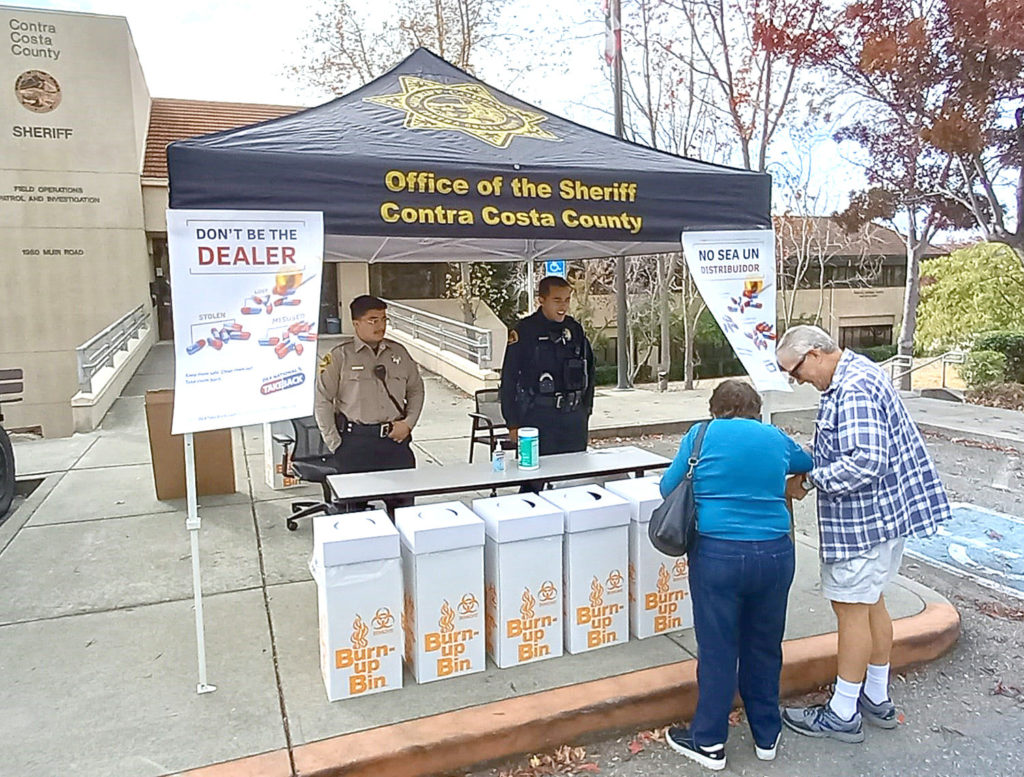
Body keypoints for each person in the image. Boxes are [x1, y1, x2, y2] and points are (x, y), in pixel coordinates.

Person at [776, 325, 950, 743]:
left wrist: (813, 479)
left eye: (795, 371)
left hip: (864, 522)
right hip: (885, 518)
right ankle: (875, 695)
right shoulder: (859, 373)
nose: (795, 380)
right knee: (872, 606)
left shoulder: (851, 390)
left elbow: (867, 461)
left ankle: (842, 713)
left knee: (852, 611)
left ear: (815, 354)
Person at [661, 379, 812, 771]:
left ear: (715, 409)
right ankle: (766, 733)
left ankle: (709, 741)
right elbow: (806, 463)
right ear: (756, 409)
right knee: (764, 644)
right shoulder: (775, 438)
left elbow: (668, 487)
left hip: (718, 555)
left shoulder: (701, 436)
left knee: (718, 648)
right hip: (775, 554)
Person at [314, 295, 425, 512]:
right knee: (356, 518)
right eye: (373, 320)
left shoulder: (399, 353)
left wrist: (408, 423)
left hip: (395, 443)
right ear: (356, 323)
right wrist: (335, 443)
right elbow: (322, 400)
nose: (380, 325)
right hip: (356, 445)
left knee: (404, 514)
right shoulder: (339, 357)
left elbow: (416, 390)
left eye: (384, 319)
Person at [499, 275, 595, 458]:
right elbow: (509, 378)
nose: (563, 306)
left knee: (574, 478)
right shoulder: (525, 331)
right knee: (534, 479)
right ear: (541, 300)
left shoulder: (574, 329)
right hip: (538, 417)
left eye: (567, 300)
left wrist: (586, 410)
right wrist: (512, 423)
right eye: (557, 300)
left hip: (573, 418)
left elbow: (589, 369)